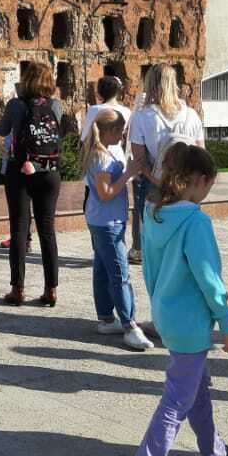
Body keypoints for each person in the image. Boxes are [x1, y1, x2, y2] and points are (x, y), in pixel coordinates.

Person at [130, 142, 228, 456]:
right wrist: (226, 320)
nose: (209, 191)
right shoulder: (195, 221)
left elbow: (148, 268)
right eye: (209, 184)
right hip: (191, 322)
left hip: (166, 313)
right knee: (178, 398)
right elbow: (209, 276)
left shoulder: (154, 213)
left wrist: (159, 301)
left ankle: (214, 452)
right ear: (197, 180)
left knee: (195, 388)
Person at [82, 109, 152, 350]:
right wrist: (129, 174)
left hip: (106, 220)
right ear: (109, 131)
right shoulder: (100, 156)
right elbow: (105, 193)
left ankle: (106, 318)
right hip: (106, 222)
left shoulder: (107, 150)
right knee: (120, 273)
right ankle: (129, 325)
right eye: (120, 132)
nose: (123, 136)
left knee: (102, 269)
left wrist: (128, 174)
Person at [0, 63, 64, 307]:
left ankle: (18, 289)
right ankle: (51, 290)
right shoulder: (55, 105)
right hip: (49, 171)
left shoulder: (17, 104)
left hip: (21, 170)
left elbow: (4, 130)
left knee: (18, 228)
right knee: (47, 230)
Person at [128, 65, 205, 265]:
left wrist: (160, 180)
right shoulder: (192, 115)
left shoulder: (142, 116)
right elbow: (202, 155)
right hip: (188, 185)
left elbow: (140, 161)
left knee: (156, 237)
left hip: (155, 183)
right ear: (174, 85)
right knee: (185, 232)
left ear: (150, 84)